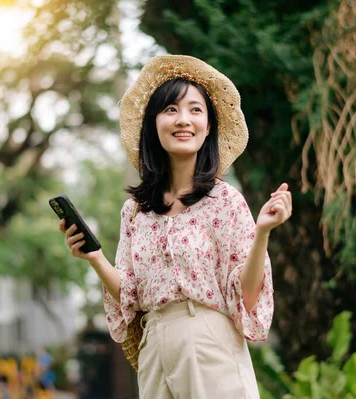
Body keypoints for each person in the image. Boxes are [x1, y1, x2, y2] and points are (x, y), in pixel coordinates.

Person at [59, 55, 292, 398]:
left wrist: (262, 233)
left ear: (209, 125)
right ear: (154, 123)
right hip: (154, 348)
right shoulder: (135, 211)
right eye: (171, 109)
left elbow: (246, 295)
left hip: (208, 344)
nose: (183, 120)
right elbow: (130, 295)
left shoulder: (226, 202)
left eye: (195, 110)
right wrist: (94, 258)